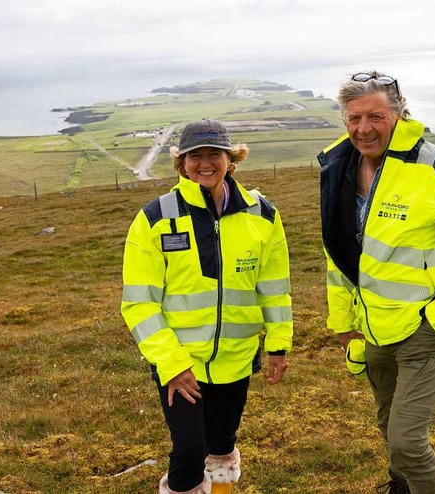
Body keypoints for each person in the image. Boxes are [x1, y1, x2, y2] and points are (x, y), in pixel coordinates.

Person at [318, 71, 435, 494]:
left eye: (376, 117)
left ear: (400, 115)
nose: (363, 129)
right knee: (389, 429)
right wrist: (344, 323)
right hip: (373, 329)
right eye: (354, 118)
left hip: (423, 329)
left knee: (406, 442)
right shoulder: (337, 168)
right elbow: (340, 255)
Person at [121, 118, 293, 494]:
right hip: (181, 363)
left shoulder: (262, 216)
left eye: (213, 154)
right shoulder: (155, 218)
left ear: (231, 159)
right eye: (193, 155)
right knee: (188, 449)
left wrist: (278, 345)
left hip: (237, 357)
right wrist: (171, 364)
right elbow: (139, 304)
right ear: (180, 163)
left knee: (220, 447)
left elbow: (275, 290)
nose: (204, 163)